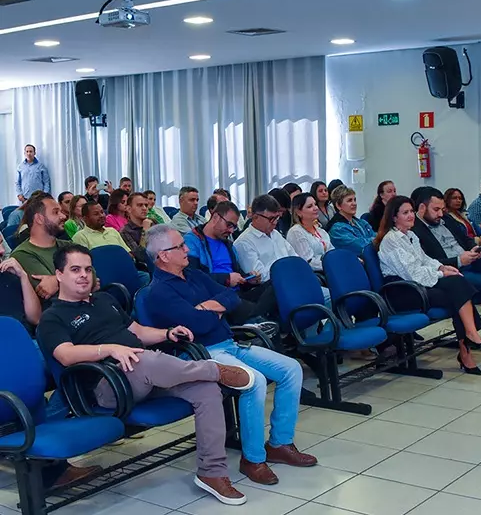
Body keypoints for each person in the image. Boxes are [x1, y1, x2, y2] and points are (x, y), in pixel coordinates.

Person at [38, 244, 255, 505]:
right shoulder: (52, 317)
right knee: (143, 359)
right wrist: (111, 349)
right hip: (106, 387)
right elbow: (65, 355)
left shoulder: (105, 300)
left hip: (146, 375)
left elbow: (138, 331)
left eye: (88, 269)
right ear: (59, 274)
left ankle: (212, 472)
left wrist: (167, 333)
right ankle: (214, 369)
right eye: (75, 270)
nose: (84, 275)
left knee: (205, 389)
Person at [145, 224, 318, 485]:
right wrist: (211, 312)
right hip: (201, 354)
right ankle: (253, 459)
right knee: (254, 381)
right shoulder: (157, 292)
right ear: (162, 256)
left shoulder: (193, 274)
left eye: (184, 243)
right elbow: (199, 325)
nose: (187, 249)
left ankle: (280, 443)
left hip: (230, 344)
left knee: (291, 369)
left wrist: (205, 308)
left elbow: (232, 297)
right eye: (179, 246)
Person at [377, 196, 481, 374]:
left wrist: (443, 267)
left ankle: (469, 338)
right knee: (456, 294)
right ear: (394, 217)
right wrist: (441, 273)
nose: (411, 216)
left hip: (417, 284)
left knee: (457, 281)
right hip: (401, 290)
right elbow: (412, 273)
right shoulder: (391, 240)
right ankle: (468, 344)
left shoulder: (410, 235)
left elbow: (425, 259)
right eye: (405, 213)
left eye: (411, 211)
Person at [412, 188, 481, 362]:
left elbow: (465, 239)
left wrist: (473, 249)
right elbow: (430, 263)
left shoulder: (446, 219)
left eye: (442, 209)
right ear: (421, 208)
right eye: (436, 210)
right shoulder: (415, 231)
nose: (440, 213)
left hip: (468, 262)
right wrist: (458, 260)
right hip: (451, 274)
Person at [185, 201, 277, 325]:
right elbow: (192, 277)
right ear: (215, 217)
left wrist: (248, 279)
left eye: (234, 226)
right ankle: (258, 318)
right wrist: (226, 279)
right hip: (216, 297)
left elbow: (237, 276)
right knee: (255, 313)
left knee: (278, 282)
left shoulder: (228, 244)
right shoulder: (192, 241)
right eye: (228, 225)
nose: (231, 230)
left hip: (238, 294)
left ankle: (258, 317)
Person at [10, 193, 72, 304]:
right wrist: (76, 280)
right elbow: (50, 293)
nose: (63, 216)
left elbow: (93, 277)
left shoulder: (68, 245)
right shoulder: (22, 254)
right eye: (56, 212)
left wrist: (56, 280)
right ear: (39, 219)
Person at [286, 193, 334, 272]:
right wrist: (332, 266)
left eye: (315, 204)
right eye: (309, 206)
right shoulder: (296, 232)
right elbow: (308, 262)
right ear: (298, 212)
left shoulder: (321, 231)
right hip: (312, 275)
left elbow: (332, 252)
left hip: (328, 270)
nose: (315, 208)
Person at [326, 186, 376, 256]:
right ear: (338, 205)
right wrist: (375, 240)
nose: (354, 203)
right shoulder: (337, 229)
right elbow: (360, 247)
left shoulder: (361, 222)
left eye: (354, 200)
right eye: (349, 200)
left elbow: (377, 238)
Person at [121, 192, 154, 264]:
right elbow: (141, 257)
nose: (144, 208)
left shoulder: (153, 223)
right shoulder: (125, 232)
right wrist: (145, 231)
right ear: (129, 209)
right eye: (140, 205)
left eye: (146, 205)